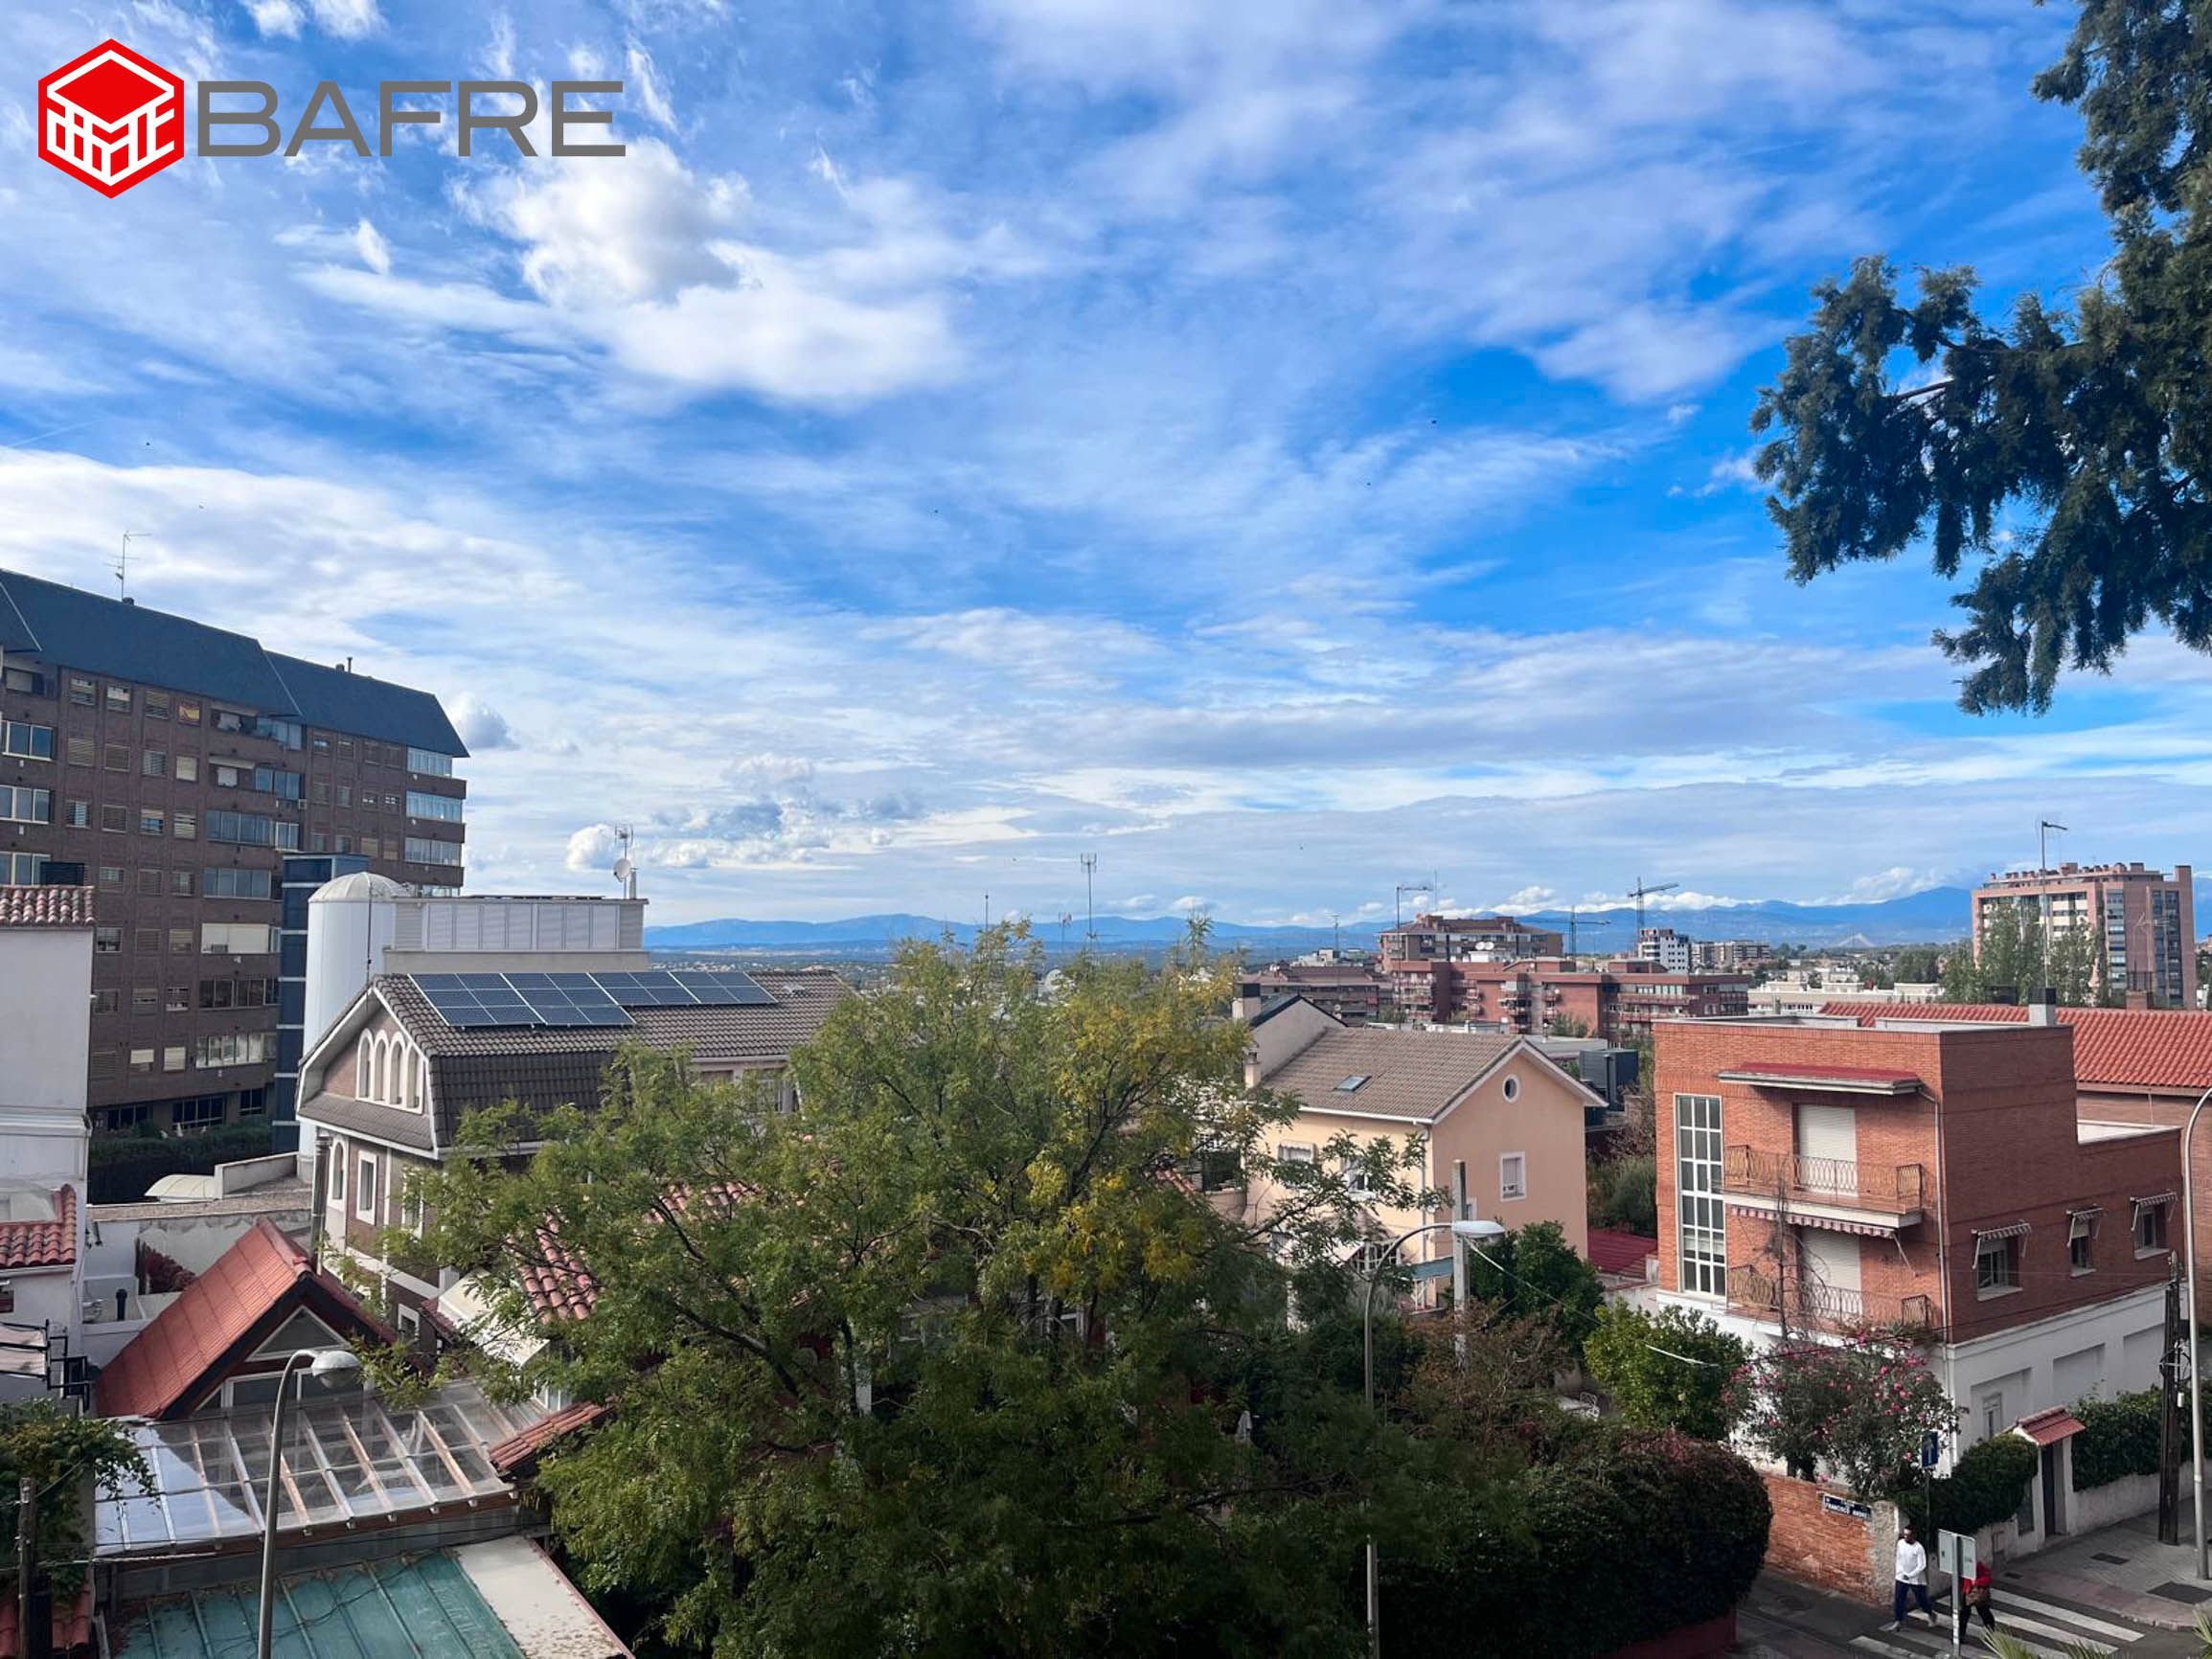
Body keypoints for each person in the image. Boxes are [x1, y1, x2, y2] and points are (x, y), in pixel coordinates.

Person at [1888, 1527, 1937, 1630]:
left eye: (1908, 1535)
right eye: (1905, 1534)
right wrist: (1900, 1572)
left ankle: (1930, 1613)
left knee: (1921, 1600)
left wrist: (1910, 1575)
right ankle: (1898, 1621)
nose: (1906, 1537)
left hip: (1916, 1579)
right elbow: (1899, 1558)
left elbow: (1922, 1565)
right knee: (1899, 1599)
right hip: (1901, 1576)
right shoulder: (1900, 1543)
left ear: (1914, 1536)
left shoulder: (1918, 1548)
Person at [1963, 1556, 1997, 1631]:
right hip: (1966, 1592)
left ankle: (1991, 1630)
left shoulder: (1978, 1566)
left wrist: (1976, 1582)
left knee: (1984, 1612)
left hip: (1978, 1593)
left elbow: (1987, 1578)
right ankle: (1960, 1634)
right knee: (1963, 1614)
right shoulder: (1959, 1566)